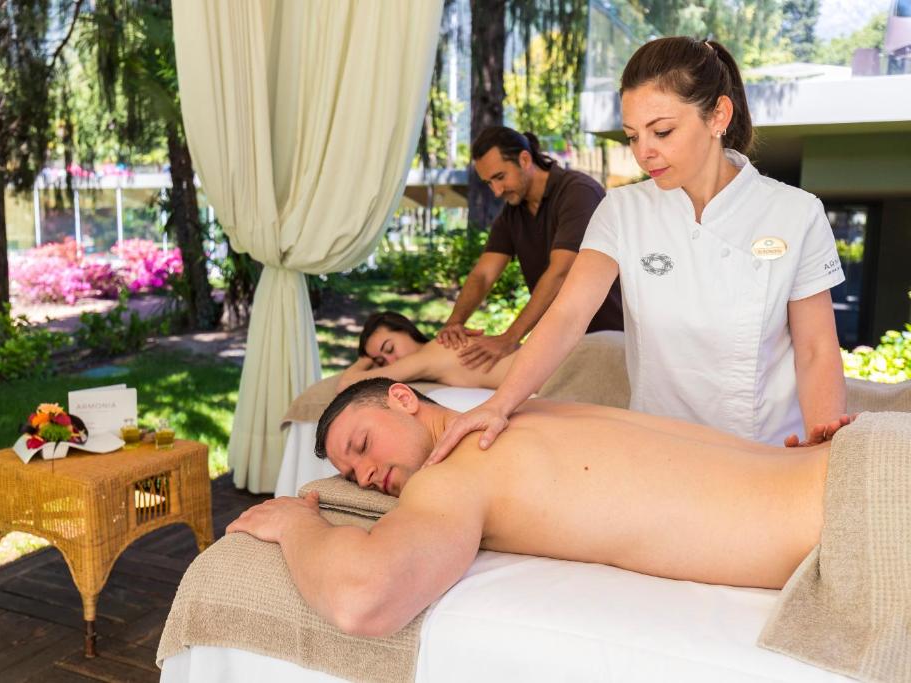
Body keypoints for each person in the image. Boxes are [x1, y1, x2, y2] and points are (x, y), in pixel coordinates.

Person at [427, 37, 853, 464]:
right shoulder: (622, 210)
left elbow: (816, 349)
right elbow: (568, 315)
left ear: (718, 116)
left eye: (662, 131)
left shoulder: (795, 212)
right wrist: (499, 404)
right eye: (632, 136)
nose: (644, 153)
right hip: (655, 453)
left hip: (766, 454)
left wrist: (822, 453)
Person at [226, 378, 835, 638]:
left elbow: (363, 600)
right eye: (351, 475)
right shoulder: (529, 407)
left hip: (851, 517)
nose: (365, 476)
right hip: (843, 462)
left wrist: (296, 523)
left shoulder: (453, 474)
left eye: (362, 445)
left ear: (403, 399)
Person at [436, 127, 623, 373]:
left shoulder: (578, 192)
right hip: (565, 346)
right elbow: (483, 275)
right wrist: (454, 322)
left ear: (525, 160)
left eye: (500, 177)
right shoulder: (512, 214)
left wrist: (509, 338)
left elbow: (561, 272)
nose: (496, 191)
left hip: (614, 340)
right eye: (489, 182)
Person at [337, 311, 515, 391]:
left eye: (389, 348)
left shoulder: (427, 357)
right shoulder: (440, 346)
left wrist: (364, 360)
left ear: (405, 330)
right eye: (381, 362)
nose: (391, 362)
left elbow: (345, 383)